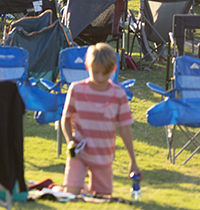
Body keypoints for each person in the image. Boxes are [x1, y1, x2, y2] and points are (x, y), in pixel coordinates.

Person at [60, 43, 140, 197]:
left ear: (113, 70)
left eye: (105, 73)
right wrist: (70, 140)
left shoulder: (119, 94)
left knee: (103, 197)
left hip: (103, 154)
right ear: (87, 67)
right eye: (95, 72)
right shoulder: (76, 90)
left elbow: (124, 129)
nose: (100, 78)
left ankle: (84, 189)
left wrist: (133, 161)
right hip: (79, 152)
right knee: (70, 195)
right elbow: (66, 118)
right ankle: (70, 187)